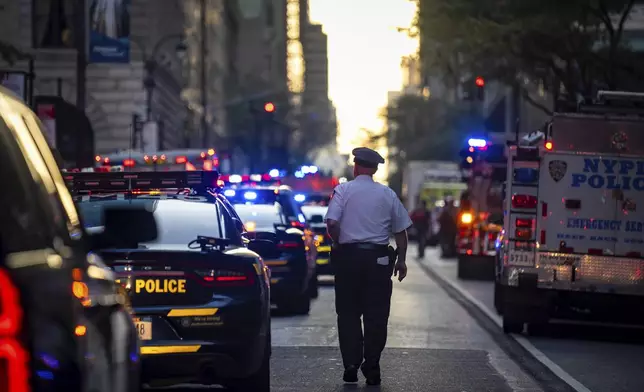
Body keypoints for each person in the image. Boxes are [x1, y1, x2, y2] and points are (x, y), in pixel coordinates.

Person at [325, 147, 412, 386]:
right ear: (374, 169)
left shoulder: (342, 191)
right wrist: (402, 260)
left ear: (355, 167)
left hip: (348, 260)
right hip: (378, 262)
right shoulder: (387, 194)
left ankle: (351, 364)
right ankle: (372, 365)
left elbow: (332, 223)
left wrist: (338, 241)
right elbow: (400, 231)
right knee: (376, 316)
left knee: (348, 314)